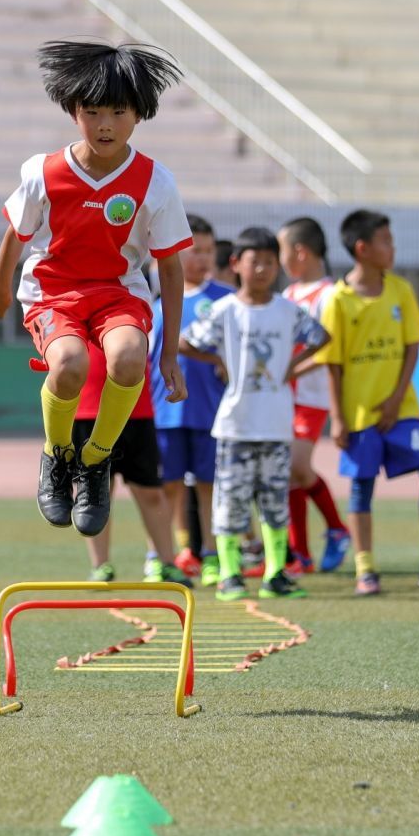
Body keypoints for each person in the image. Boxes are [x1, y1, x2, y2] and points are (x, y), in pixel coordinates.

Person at [0, 40, 191, 538]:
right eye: (92, 111)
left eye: (118, 112)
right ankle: (57, 455)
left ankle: (94, 463)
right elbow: (18, 231)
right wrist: (0, 287)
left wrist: (170, 355)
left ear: (139, 114)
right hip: (53, 290)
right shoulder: (44, 172)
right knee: (70, 366)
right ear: (73, 112)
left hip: (119, 291)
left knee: (127, 358)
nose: (105, 124)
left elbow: (171, 269)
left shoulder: (155, 182)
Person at [317, 209, 419, 596]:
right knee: (361, 486)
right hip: (359, 415)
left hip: (402, 411)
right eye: (386, 240)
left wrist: (394, 400)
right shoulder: (338, 300)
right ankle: (366, 569)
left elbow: (411, 348)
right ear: (363, 248)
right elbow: (332, 363)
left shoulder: (400, 290)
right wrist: (338, 419)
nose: (392, 248)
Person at [179, 226, 330, 600]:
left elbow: (321, 337)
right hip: (236, 424)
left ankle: (276, 573)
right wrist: (219, 360)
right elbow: (185, 341)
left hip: (277, 424)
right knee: (230, 500)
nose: (262, 269)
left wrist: (293, 367)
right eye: (254, 261)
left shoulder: (287, 310)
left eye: (269, 261)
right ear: (236, 264)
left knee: (274, 502)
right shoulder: (225, 310)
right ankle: (230, 573)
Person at [149, 214, 233, 588]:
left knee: (208, 484)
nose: (202, 258)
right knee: (166, 485)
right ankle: (162, 555)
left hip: (212, 411)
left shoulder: (227, 301)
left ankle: (213, 555)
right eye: (194, 251)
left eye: (208, 250)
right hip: (165, 411)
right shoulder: (156, 304)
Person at [72, 342, 192, 586]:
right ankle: (100, 566)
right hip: (87, 411)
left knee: (150, 492)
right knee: (95, 494)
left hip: (136, 412)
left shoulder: (136, 306)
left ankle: (166, 562)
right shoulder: (74, 307)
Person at [278, 216, 351, 574]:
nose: (278, 260)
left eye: (280, 251)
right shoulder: (289, 295)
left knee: (297, 466)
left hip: (314, 394)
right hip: (284, 396)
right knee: (288, 472)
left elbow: (330, 348)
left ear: (300, 252)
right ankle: (300, 555)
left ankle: (338, 529)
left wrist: (292, 370)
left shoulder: (331, 295)